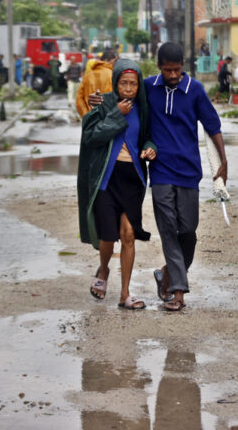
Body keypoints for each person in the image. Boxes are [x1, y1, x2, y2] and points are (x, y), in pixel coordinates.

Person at [92, 43, 227, 311]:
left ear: (183, 67)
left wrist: (224, 161)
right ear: (159, 66)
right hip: (161, 171)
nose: (173, 75)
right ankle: (178, 291)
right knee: (168, 232)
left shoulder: (195, 90)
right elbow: (122, 93)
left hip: (189, 172)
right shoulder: (148, 87)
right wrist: (98, 101)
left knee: (188, 230)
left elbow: (213, 125)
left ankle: (166, 273)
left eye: (177, 69)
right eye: (168, 70)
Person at [78, 58, 157, 310]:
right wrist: (115, 114)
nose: (129, 88)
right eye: (124, 83)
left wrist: (150, 148)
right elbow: (91, 136)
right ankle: (103, 269)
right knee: (108, 237)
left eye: (133, 84)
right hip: (107, 178)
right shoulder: (104, 104)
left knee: (129, 234)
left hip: (132, 178)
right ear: (115, 82)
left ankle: (125, 294)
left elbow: (148, 137)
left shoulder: (143, 109)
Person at [75, 48, 118, 117]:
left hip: (89, 118)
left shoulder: (87, 76)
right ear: (106, 60)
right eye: (113, 63)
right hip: (107, 119)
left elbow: (79, 100)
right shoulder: (113, 75)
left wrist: (86, 116)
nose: (113, 65)